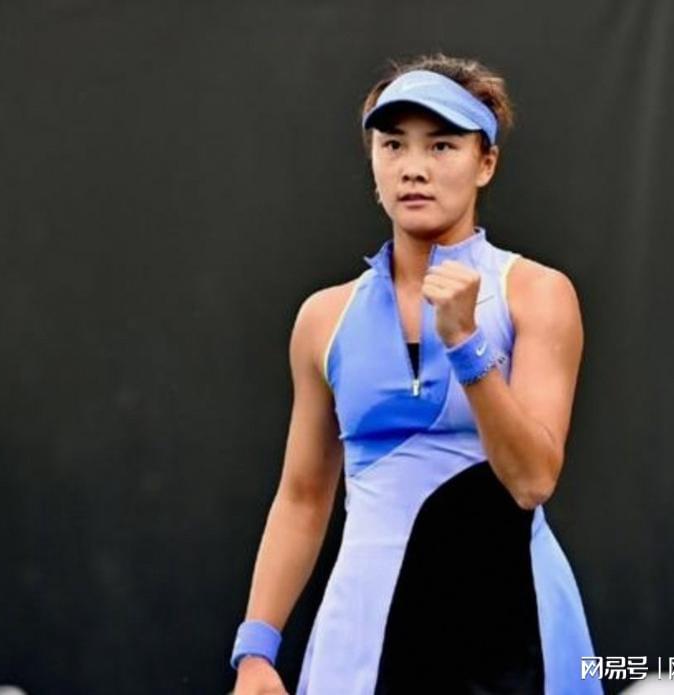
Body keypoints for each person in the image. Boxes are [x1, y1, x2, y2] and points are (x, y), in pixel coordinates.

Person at [229, 54, 601, 694]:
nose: (414, 167)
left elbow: (533, 479)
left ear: (486, 163)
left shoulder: (536, 294)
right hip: (362, 633)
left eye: (442, 145)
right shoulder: (323, 319)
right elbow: (303, 496)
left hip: (512, 631)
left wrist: (466, 345)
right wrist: (257, 649)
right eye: (393, 144)